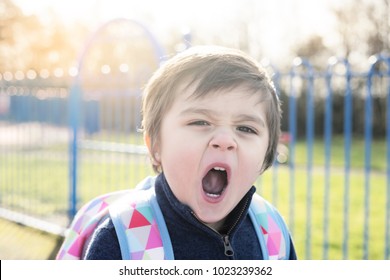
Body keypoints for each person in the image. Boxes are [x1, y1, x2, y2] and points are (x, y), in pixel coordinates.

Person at [84, 45, 297, 260]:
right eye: (200, 122)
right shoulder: (122, 241)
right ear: (156, 145)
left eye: (245, 128)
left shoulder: (273, 236)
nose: (224, 141)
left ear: (266, 154)